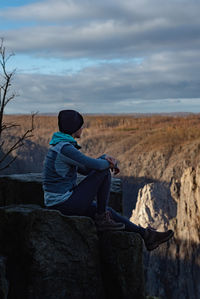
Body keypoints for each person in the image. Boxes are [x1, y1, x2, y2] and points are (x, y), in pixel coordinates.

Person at [42, 110, 174, 251]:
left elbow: (86, 170)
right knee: (104, 172)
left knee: (108, 210)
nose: (82, 128)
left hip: (62, 201)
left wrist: (105, 158)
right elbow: (97, 167)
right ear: (74, 128)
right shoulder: (65, 149)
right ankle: (102, 219)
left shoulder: (61, 146)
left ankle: (147, 236)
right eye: (81, 125)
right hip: (63, 203)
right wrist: (109, 163)